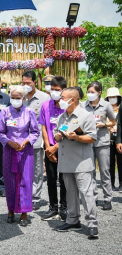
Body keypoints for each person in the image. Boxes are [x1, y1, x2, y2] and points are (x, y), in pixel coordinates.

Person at [54, 88, 98, 240]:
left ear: (72, 100)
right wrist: (58, 136)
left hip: (81, 162)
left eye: (63, 97)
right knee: (70, 192)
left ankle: (92, 223)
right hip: (66, 161)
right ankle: (73, 220)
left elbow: (92, 138)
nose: (60, 100)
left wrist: (77, 137)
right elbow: (56, 133)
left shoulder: (86, 116)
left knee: (86, 193)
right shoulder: (61, 117)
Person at [0, 85, 39, 227]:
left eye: (18, 98)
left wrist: (26, 141)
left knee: (25, 180)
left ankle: (24, 213)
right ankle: (10, 210)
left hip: (25, 151)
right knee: (9, 180)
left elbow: (35, 132)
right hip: (9, 150)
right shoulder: (4, 112)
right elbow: (0, 132)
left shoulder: (29, 112)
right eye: (13, 97)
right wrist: (9, 142)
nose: (15, 100)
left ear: (23, 98)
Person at [39, 76, 67, 221]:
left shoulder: (67, 106)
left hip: (63, 148)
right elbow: (43, 126)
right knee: (50, 179)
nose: (54, 92)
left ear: (63, 91)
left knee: (64, 180)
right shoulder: (45, 105)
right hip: (49, 147)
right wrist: (48, 147)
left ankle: (64, 208)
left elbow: (68, 129)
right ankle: (53, 207)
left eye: (58, 90)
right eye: (52, 89)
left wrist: (56, 147)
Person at [83, 81, 115, 210]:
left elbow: (113, 122)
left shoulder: (106, 105)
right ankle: (94, 198)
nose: (90, 94)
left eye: (92, 92)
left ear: (99, 92)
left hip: (102, 142)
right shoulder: (83, 105)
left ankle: (107, 199)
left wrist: (104, 124)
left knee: (105, 171)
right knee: (90, 172)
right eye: (88, 92)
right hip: (88, 142)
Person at [21, 71, 50, 210]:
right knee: (22, 169)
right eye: (23, 83)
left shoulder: (44, 97)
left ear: (34, 82)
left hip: (36, 140)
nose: (26, 85)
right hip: (20, 140)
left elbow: (46, 121)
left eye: (28, 83)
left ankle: (36, 196)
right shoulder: (19, 96)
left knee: (37, 169)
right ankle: (25, 194)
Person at [105, 87, 122, 192]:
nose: (112, 99)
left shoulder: (121, 108)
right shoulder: (105, 108)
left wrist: (117, 127)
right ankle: (111, 183)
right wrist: (109, 127)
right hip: (108, 139)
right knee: (109, 163)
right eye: (110, 97)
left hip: (119, 140)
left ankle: (121, 183)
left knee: (121, 162)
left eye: (114, 97)